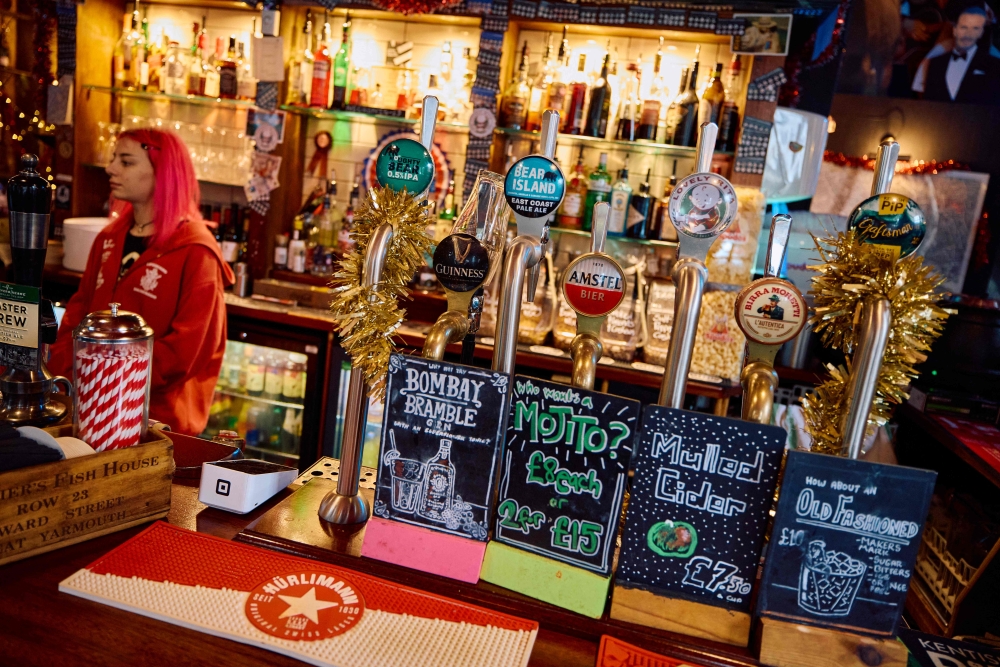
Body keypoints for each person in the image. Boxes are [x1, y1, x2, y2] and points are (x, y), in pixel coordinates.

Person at [49, 129, 234, 435]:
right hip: (90, 410)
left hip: (158, 424)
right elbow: (77, 316)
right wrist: (72, 374)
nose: (111, 169)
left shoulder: (196, 250)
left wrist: (109, 378)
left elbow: (189, 349)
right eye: (113, 159)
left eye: (126, 161)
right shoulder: (109, 238)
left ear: (162, 173)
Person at [912, 4, 1000, 103]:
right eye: (964, 27)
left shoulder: (994, 62)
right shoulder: (936, 59)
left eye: (975, 28)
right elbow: (921, 92)